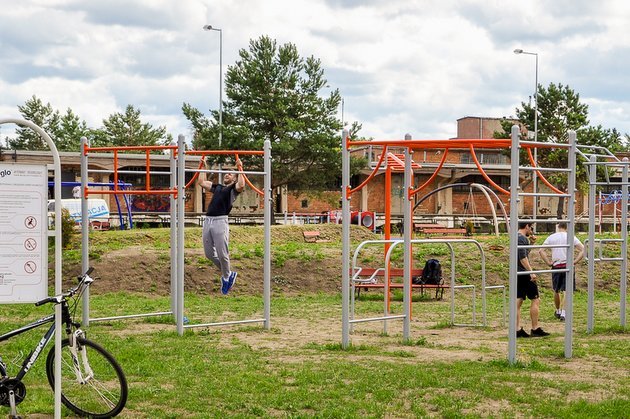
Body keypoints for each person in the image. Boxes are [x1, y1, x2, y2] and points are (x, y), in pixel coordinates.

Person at [198, 159, 245, 295]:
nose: (227, 175)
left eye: (230, 174)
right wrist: (202, 166)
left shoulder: (233, 190)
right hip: (208, 221)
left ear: (235, 178)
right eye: (226, 173)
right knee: (208, 254)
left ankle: (226, 277)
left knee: (222, 253)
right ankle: (229, 273)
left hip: (220, 221)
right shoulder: (218, 187)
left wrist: (240, 167)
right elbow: (201, 182)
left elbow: (241, 184)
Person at [537, 222, 584, 321]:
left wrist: (548, 262)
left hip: (556, 265)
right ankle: (564, 312)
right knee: (567, 290)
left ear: (558, 227)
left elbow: (541, 250)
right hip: (568, 265)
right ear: (567, 228)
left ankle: (558, 310)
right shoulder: (571, 237)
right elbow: (583, 249)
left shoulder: (552, 237)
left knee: (556, 290)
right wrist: (575, 261)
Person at [516, 220, 550, 338]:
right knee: (535, 299)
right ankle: (535, 328)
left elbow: (524, 253)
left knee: (518, 300)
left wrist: (531, 243)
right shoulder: (521, 238)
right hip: (524, 273)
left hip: (518, 272)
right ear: (527, 226)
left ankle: (517, 329)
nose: (531, 230)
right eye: (531, 228)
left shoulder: (518, 238)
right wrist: (531, 272)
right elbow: (522, 258)